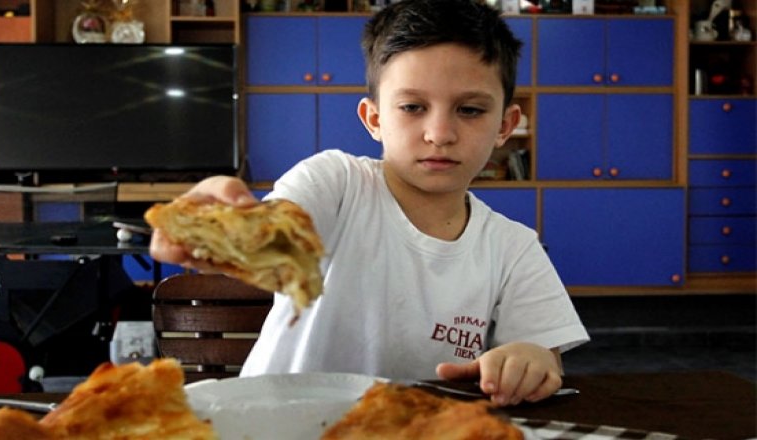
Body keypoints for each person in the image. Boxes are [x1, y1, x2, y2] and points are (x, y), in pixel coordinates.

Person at [150, 0, 589, 406]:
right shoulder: (336, 182)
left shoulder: (513, 248)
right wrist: (222, 227)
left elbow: (544, 358)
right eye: (413, 107)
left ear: (505, 125)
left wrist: (527, 361)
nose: (439, 133)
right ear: (374, 119)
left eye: (470, 110)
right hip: (272, 420)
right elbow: (276, 231)